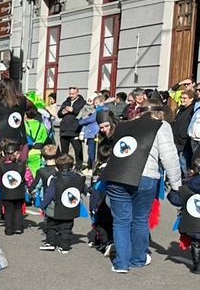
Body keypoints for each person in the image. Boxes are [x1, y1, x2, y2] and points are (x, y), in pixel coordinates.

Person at [101, 109, 182, 273]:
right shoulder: (161, 126)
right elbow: (169, 156)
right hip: (145, 175)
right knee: (140, 219)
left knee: (121, 221)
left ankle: (121, 263)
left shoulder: (123, 126)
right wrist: (176, 185)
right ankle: (138, 258)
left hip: (116, 175)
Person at [40, 154, 85, 253]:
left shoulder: (55, 179)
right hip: (69, 209)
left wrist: (42, 205)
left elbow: (49, 194)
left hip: (54, 209)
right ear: (73, 167)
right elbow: (83, 189)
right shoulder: (78, 178)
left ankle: (50, 243)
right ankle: (64, 246)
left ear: (56, 168)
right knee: (66, 228)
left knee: (51, 226)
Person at [0, 140, 32, 237]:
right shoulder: (22, 165)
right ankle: (18, 228)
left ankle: (9, 229)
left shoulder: (0, 165)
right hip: (18, 191)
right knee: (18, 209)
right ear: (17, 154)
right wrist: (29, 186)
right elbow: (29, 178)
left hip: (6, 192)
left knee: (8, 210)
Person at [57, 85, 86, 165]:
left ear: (77, 93)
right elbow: (59, 114)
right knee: (64, 151)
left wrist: (73, 110)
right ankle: (64, 165)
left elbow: (83, 113)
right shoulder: (66, 102)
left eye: (73, 94)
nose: (71, 96)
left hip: (75, 130)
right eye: (70, 94)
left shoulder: (82, 102)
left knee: (78, 149)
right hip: (64, 129)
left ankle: (78, 166)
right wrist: (62, 112)